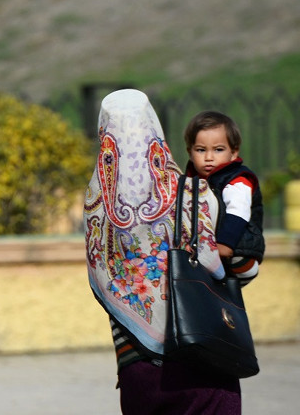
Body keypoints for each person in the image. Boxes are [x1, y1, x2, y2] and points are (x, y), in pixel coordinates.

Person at [84, 89, 242, 414]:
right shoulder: (198, 194)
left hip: (136, 367)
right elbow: (232, 266)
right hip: (204, 353)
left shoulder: (94, 206)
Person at [183, 110, 265, 284]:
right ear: (190, 152)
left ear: (234, 153)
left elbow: (239, 212)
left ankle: (236, 269)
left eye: (218, 150)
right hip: (207, 246)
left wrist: (225, 245)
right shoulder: (190, 180)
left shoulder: (237, 180)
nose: (209, 157)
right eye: (200, 150)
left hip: (238, 248)